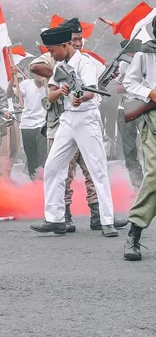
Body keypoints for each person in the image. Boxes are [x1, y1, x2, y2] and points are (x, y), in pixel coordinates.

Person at [30, 18, 124, 232]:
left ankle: (107, 221)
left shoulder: (85, 63)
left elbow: (91, 91)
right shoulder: (60, 66)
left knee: (97, 170)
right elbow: (51, 95)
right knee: (53, 167)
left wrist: (80, 97)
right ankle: (55, 218)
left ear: (65, 45)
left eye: (53, 51)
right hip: (67, 120)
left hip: (86, 119)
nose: (51, 55)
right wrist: (61, 92)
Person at [122, 25, 156, 260]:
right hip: (153, 119)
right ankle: (134, 231)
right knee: (154, 174)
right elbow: (129, 82)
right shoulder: (145, 52)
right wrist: (150, 93)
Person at [116, 39, 144, 189]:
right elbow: (118, 88)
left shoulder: (148, 62)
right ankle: (137, 183)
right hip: (126, 107)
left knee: (149, 146)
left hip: (145, 106)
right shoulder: (123, 64)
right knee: (129, 149)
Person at [17, 72, 48, 180]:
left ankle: (43, 180)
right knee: (31, 157)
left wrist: (46, 86)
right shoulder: (26, 84)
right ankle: (34, 182)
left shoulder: (50, 85)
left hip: (43, 124)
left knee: (43, 155)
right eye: (38, 72)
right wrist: (12, 79)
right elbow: (10, 94)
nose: (40, 75)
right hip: (27, 125)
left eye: (42, 72)